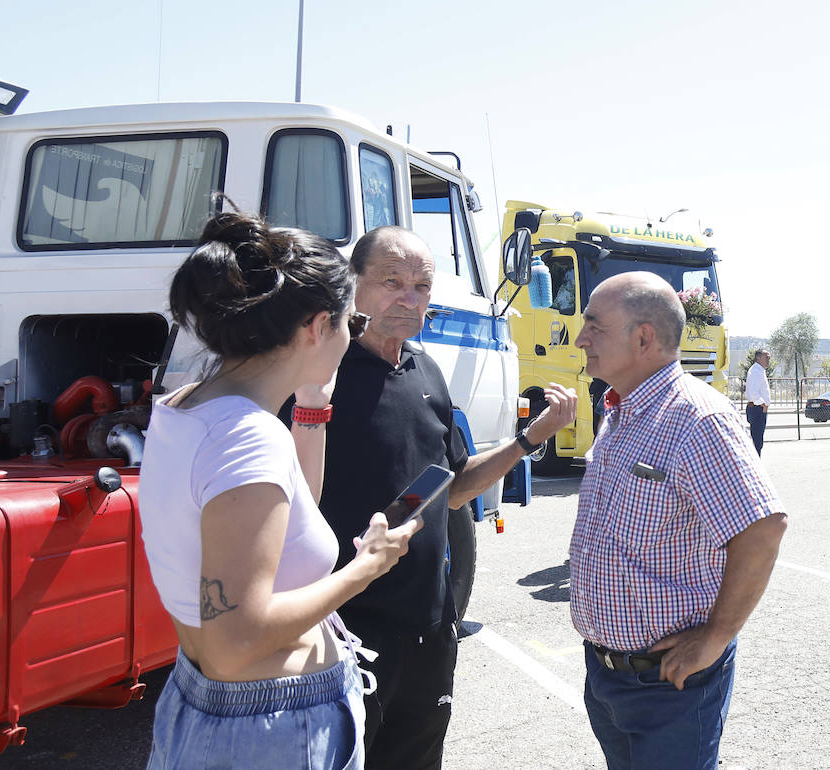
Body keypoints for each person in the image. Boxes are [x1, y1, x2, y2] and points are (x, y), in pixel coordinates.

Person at [287, 225, 575, 770]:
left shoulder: (425, 372)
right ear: (352, 286)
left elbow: (453, 486)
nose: (409, 297)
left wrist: (527, 439)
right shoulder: (318, 375)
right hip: (345, 632)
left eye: (421, 285)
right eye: (391, 281)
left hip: (426, 629)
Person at [140, 211, 419, 769]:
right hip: (269, 728)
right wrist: (366, 568)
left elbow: (288, 516)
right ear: (318, 327)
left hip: (223, 713)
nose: (352, 336)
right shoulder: (247, 437)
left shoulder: (188, 405)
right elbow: (235, 640)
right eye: (350, 323)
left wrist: (312, 405)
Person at [570, 271, 788, 770]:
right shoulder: (619, 411)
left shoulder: (697, 418)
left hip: (670, 685)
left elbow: (762, 529)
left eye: (595, 327)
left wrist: (714, 638)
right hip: (609, 675)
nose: (581, 339)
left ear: (643, 337)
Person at [744, 348, 771, 454]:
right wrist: (763, 404)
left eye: (769, 358)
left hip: (758, 408)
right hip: (757, 408)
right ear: (758, 358)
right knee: (757, 443)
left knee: (757, 441)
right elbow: (754, 393)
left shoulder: (759, 370)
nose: (768, 360)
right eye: (766, 357)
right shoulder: (756, 371)